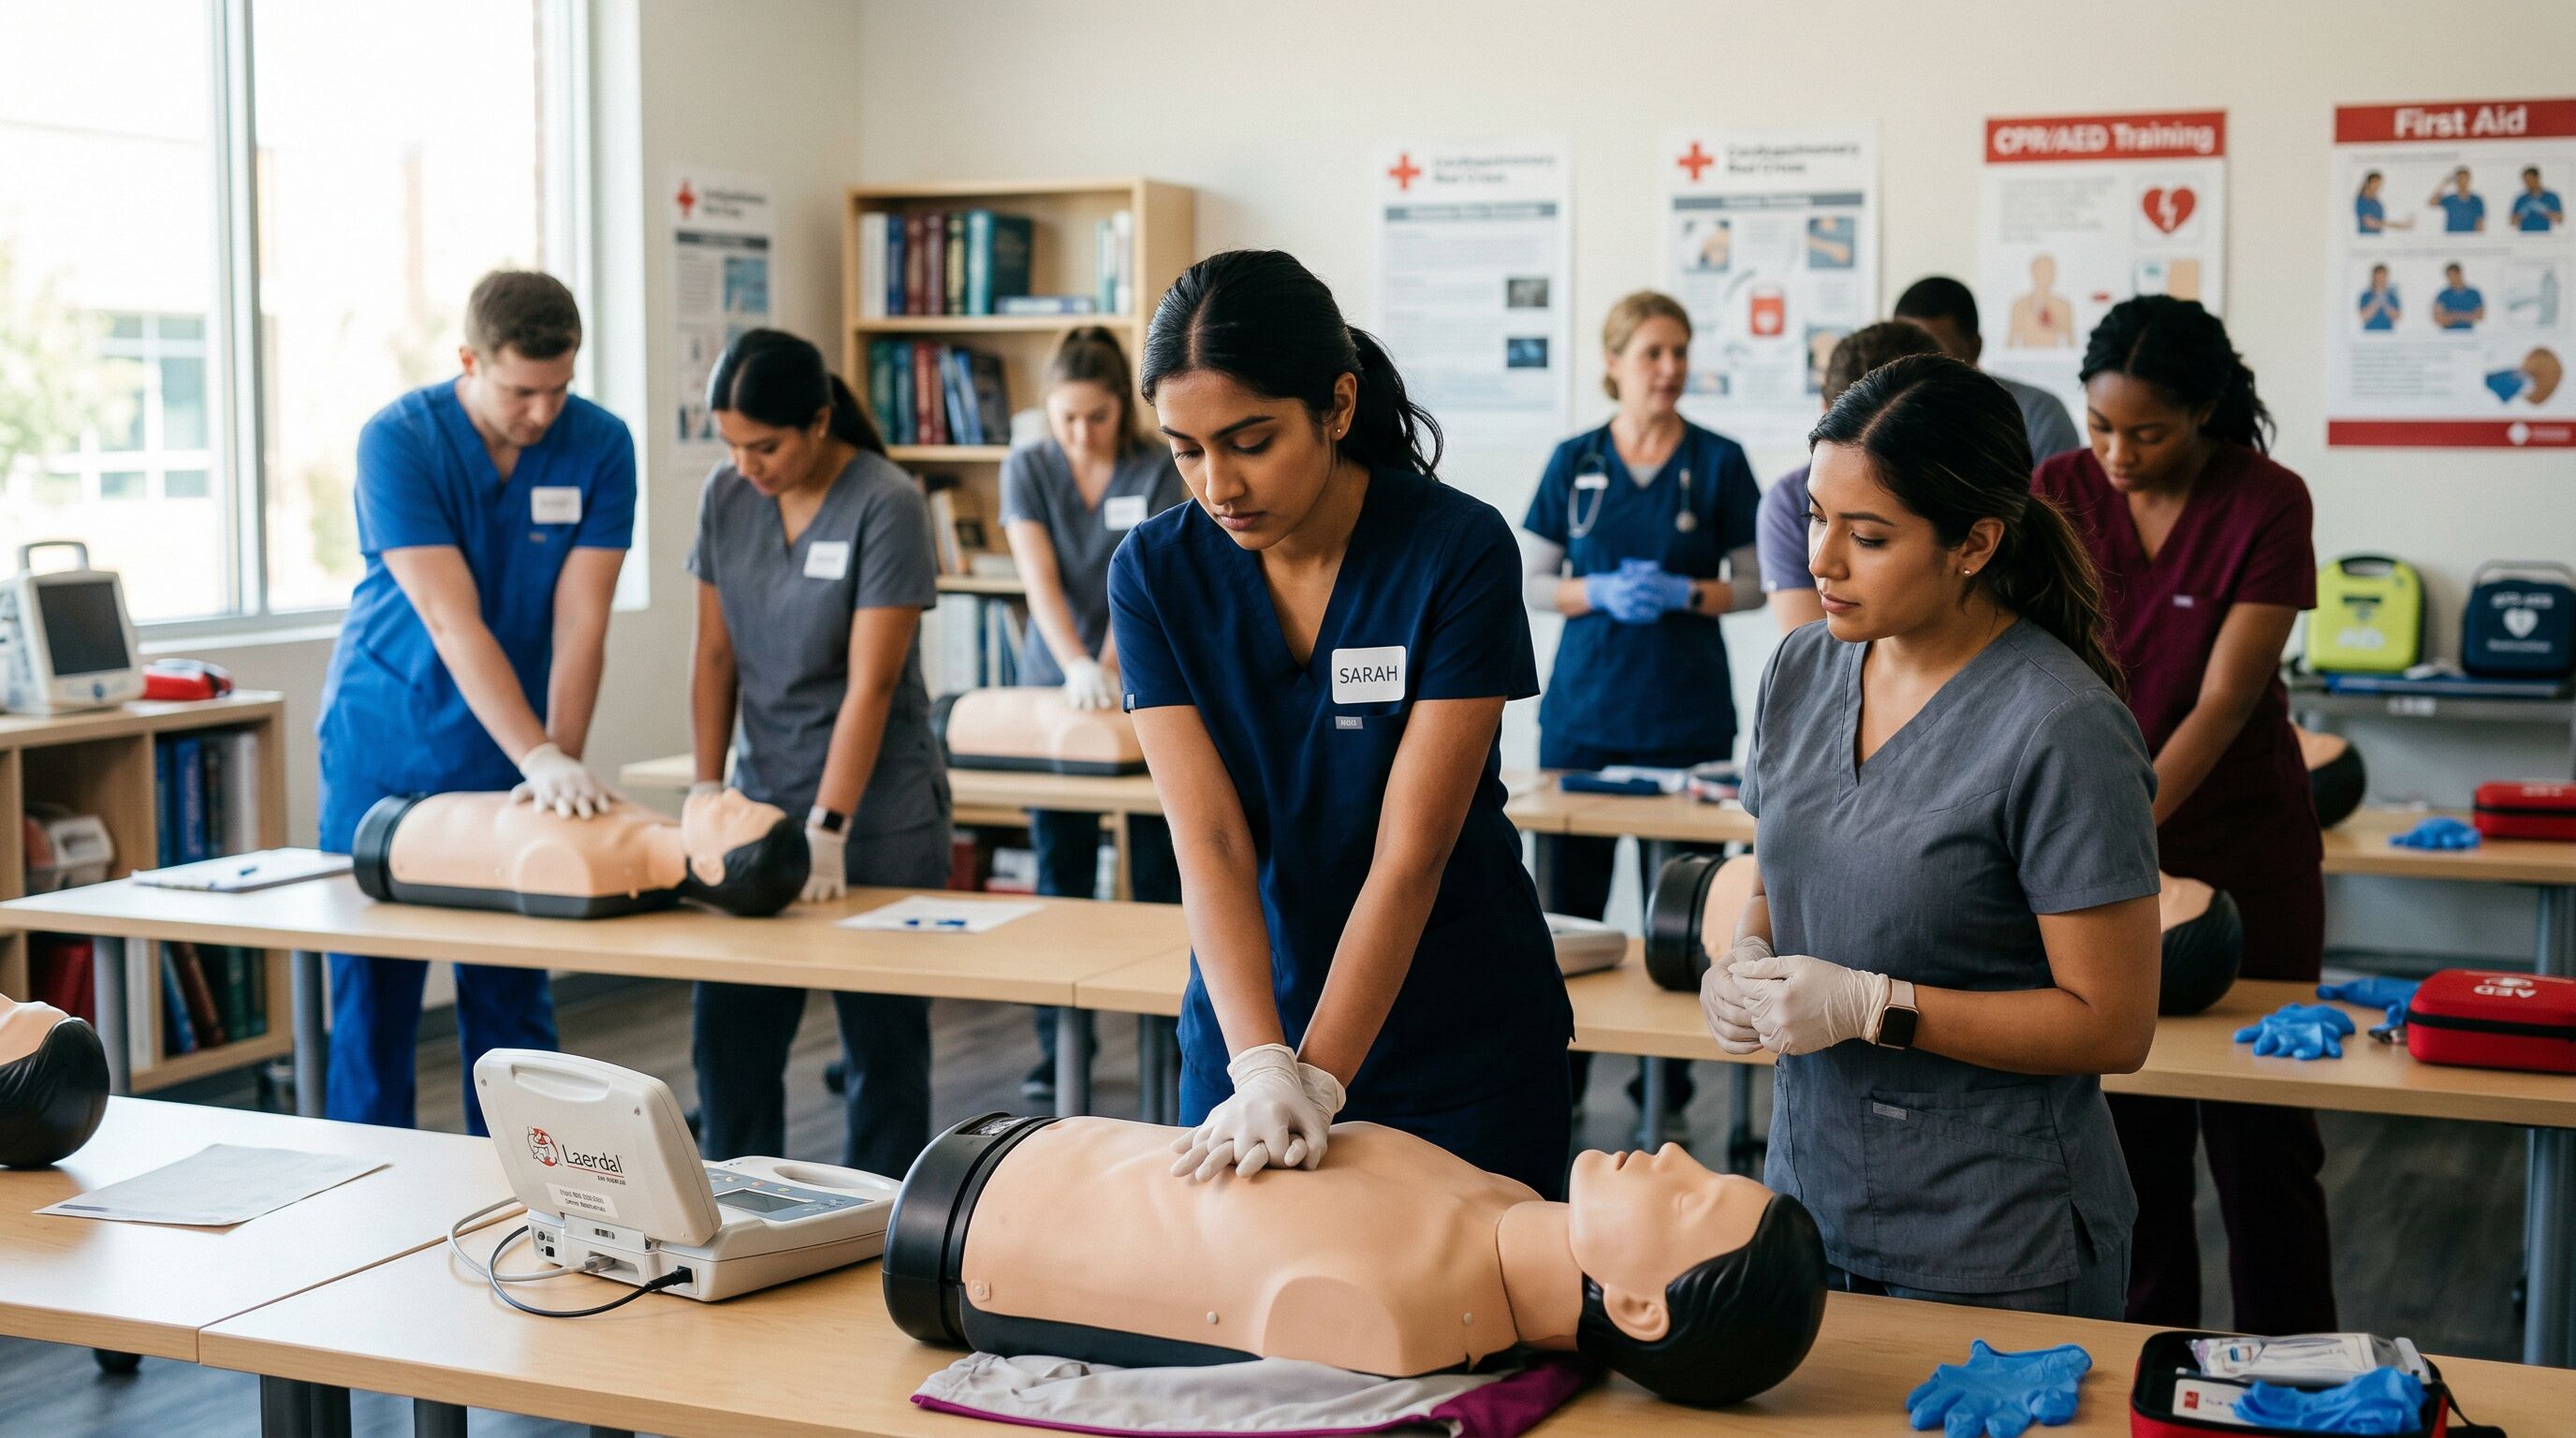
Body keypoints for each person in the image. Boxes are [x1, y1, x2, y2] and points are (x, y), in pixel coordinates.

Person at [1701, 353, 2162, 1319]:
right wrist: (1741, 952)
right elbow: (1782, 870)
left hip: (1995, 1235)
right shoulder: (1800, 670)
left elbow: (2111, 1023)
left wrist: (1880, 1006)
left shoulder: (2057, 725)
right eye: (1816, 517)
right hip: (1809, 1203)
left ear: (1974, 544)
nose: (1821, 558)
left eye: (1865, 536)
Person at [1109, 249, 1573, 1197]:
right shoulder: (1154, 573)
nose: (1217, 485)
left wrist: (1319, 1080)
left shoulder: (1456, 549)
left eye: (1249, 440)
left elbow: (1412, 853)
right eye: (1184, 448)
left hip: (1457, 1034)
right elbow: (1209, 843)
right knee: (1247, 1321)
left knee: (1476, 1333)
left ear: (1338, 406)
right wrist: (1263, 1069)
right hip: (1249, 1024)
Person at [2035, 296, 2332, 1335]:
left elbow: (2222, 702)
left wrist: (2115, 828)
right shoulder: (2055, 491)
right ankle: (2146, 1369)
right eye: (2099, 425)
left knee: (2263, 1138)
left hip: (2241, 840)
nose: (2115, 453)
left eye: (2146, 432)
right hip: (2100, 852)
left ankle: (2294, 1359)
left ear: (2205, 412)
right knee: (2132, 1134)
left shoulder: (2268, 499)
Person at [886, 1115, 1826, 1408]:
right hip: (1021, 1158)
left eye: (1691, 1196)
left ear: (1638, 1307)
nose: (1672, 1157)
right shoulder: (1493, 1199)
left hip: (975, 1232)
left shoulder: (1405, 1312)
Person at [315, 270, 634, 1134]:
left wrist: (555, 758)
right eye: (522, 390)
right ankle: (362, 1201)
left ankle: (522, 1195)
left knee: (510, 992)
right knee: (373, 996)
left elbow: (582, 622)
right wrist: (541, 755)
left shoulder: (601, 445)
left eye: (560, 387)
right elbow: (453, 624)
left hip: (512, 742)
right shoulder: (398, 441)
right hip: (387, 734)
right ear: (469, 359)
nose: (544, 412)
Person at [686, 328, 952, 1178]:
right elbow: (715, 658)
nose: (746, 465)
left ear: (820, 420)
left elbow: (870, 684)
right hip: (758, 809)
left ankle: (881, 1234)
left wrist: (830, 825)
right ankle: (733, 1214)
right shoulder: (726, 500)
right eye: (730, 446)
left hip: (877, 817)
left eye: (764, 446)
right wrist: (704, 794)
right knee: (731, 1041)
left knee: (882, 1054)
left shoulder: (886, 502)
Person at [1520, 290, 1761, 1131]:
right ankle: (1559, 1090)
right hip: (1584, 718)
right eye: (1654, 353)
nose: (1670, 369)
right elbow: (1533, 580)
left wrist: (1688, 591)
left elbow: (1759, 581)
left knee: (1683, 923)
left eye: (1680, 351)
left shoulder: (1720, 462)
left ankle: (1670, 1102)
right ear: (1614, 361)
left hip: (1685, 722)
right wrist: (1599, 592)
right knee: (1563, 925)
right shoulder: (1574, 459)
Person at [999, 327, 1188, 1102]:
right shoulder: (1028, 468)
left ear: (1124, 409)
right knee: (1060, 870)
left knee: (1157, 870)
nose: (1081, 434)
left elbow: (1146, 575)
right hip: (1059, 691)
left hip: (1143, 681)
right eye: (1066, 418)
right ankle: (1055, 1046)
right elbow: (1037, 580)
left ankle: (1169, 1033)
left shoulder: (1157, 467)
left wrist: (1113, 664)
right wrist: (1076, 663)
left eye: (1097, 418)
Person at [350, 787, 808, 919]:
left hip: (398, 840)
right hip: (411, 817)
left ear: (709, 867)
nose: (729, 794)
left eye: (734, 816)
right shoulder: (654, 830)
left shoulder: (591, 869)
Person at [1758, 320, 1947, 630]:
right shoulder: (1787, 499)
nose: (1818, 565)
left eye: (1867, 537)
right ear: (1825, 412)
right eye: (1816, 518)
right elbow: (1816, 654)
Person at [1891, 276, 2083, 462]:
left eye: (1932, 353)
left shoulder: (2039, 415)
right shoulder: (1880, 418)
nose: (1916, 366)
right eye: (1905, 352)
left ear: (1974, 348)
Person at [2007, 255, 2075, 348]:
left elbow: (2071, 341)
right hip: (2025, 359)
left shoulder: (2063, 305)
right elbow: (2010, 341)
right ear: (2033, 273)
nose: (2046, 276)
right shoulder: (2019, 305)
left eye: (2049, 272)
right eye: (2042, 271)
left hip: (2055, 359)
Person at [2430, 168, 2485, 233]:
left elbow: (2480, 222)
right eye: (2460, 178)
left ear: (2469, 180)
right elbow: (2432, 202)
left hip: (2470, 238)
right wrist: (2444, 184)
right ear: (2456, 181)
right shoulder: (2450, 199)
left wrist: (2479, 240)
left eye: (2464, 178)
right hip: (2452, 238)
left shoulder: (2476, 200)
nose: (2462, 181)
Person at [2351, 171, 2408, 235]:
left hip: (2376, 236)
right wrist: (2397, 225)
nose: (2378, 187)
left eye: (2379, 184)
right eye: (2375, 183)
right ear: (2368, 183)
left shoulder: (2376, 201)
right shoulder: (2361, 200)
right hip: (2366, 237)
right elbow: (2370, 223)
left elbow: (2379, 220)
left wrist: (2400, 224)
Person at [2433, 263, 2484, 330]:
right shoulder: (2443, 295)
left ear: (2460, 274)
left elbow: (2480, 315)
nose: (2451, 278)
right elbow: (2437, 317)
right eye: (2449, 276)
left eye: (2454, 275)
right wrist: (2467, 316)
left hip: (2468, 334)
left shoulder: (2473, 294)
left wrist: (2456, 316)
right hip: (2448, 334)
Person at [2514, 167, 2565, 233]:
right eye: (2525, 181)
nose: (2527, 184)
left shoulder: (2552, 197)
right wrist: (2521, 213)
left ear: (2537, 178)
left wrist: (2545, 211)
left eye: (2529, 180)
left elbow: (2560, 219)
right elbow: (2512, 222)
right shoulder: (2521, 199)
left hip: (2544, 236)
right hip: (2525, 237)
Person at [2356, 265, 2402, 332]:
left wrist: (2385, 303)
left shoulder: (2392, 296)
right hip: (2369, 333)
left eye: (2383, 276)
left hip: (2388, 333)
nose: (2381, 279)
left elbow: (2397, 317)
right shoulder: (2365, 295)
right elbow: (2364, 316)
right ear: (2373, 277)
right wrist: (2376, 300)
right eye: (2378, 276)